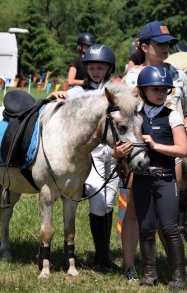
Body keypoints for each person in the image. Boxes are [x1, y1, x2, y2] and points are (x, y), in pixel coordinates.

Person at [120, 21, 187, 281]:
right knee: (135, 212)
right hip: (138, 156)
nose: (166, 48)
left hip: (170, 156)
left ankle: (177, 268)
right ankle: (133, 267)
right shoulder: (131, 78)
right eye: (160, 44)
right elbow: (120, 116)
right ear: (144, 47)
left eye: (168, 44)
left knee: (167, 215)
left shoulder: (179, 74)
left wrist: (179, 134)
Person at [49, 44, 131, 274]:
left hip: (115, 152)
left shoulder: (118, 92)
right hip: (91, 154)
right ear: (86, 68)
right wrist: (53, 96)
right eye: (92, 67)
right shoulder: (77, 93)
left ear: (109, 68)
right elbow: (58, 112)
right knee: (98, 199)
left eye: (100, 67)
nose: (95, 71)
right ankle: (101, 259)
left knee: (108, 202)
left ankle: (103, 256)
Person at [115, 65, 187, 289]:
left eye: (165, 90)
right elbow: (119, 144)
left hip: (165, 179)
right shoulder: (134, 116)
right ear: (144, 91)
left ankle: (178, 275)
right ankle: (149, 274)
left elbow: (182, 150)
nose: (161, 93)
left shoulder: (172, 116)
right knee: (146, 228)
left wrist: (155, 145)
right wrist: (116, 153)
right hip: (142, 179)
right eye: (155, 89)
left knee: (169, 227)